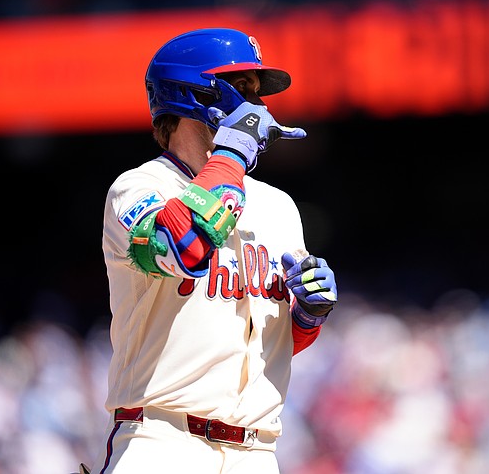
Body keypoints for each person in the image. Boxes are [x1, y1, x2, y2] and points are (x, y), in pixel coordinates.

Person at [85, 28, 339, 474]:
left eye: (257, 92)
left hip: (257, 453)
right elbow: (182, 249)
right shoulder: (141, 187)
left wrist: (305, 318)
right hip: (163, 441)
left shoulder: (279, 207)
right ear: (193, 94)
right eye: (241, 89)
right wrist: (232, 153)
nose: (256, 107)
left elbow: (261, 343)